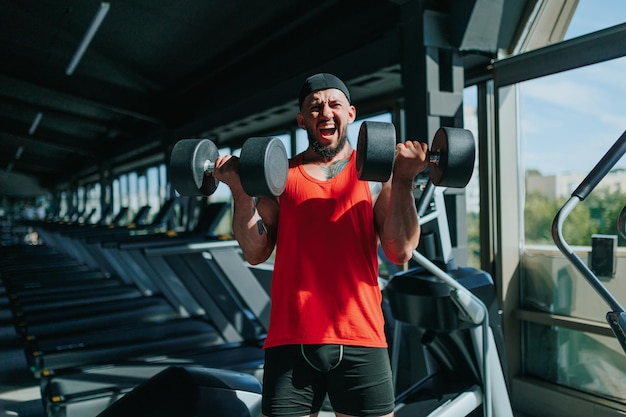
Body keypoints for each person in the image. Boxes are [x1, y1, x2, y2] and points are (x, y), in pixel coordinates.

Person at [213, 73, 429, 417]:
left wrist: (403, 179)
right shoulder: (280, 178)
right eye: (315, 107)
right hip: (292, 338)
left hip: (362, 336)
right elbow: (255, 252)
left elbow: (398, 251)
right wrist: (240, 191)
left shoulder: (376, 178)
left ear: (351, 113)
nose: (325, 112)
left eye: (334, 105)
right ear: (302, 120)